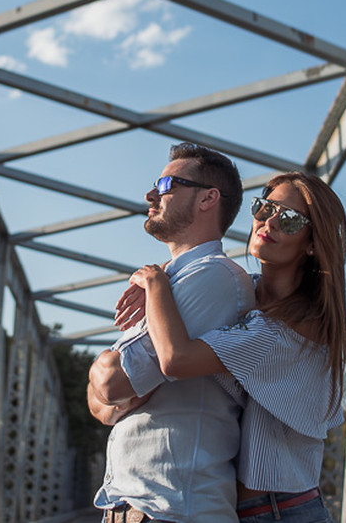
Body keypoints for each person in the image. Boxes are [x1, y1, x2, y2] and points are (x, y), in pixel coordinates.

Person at [123, 172, 346, 523]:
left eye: (288, 219)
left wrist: (155, 280)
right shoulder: (243, 295)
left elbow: (175, 359)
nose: (268, 222)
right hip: (236, 510)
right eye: (265, 208)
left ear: (312, 244)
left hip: (282, 512)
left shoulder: (291, 330)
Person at [87, 143, 255, 523]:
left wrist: (109, 378)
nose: (150, 194)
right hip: (134, 508)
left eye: (166, 184)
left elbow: (111, 384)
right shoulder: (167, 282)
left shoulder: (214, 276)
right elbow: (100, 404)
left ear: (208, 199)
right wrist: (117, 388)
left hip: (175, 510)